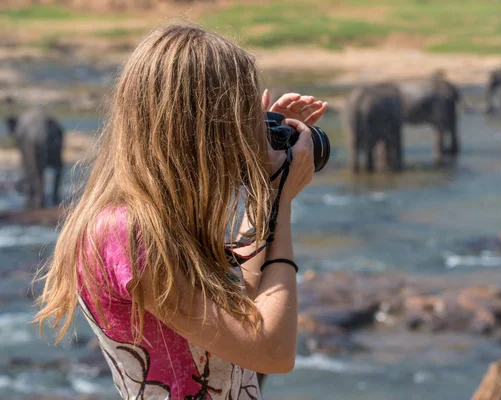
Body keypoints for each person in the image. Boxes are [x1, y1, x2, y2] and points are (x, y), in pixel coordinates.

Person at [34, 23, 327, 399]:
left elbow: (251, 314)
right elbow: (272, 351)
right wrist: (281, 199)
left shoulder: (160, 221)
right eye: (241, 119)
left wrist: (265, 192)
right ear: (205, 130)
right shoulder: (126, 234)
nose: (245, 136)